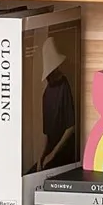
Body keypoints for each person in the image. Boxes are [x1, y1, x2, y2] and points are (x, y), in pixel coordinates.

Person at [29, 36, 76, 173]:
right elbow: (47, 134)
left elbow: (71, 127)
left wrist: (53, 154)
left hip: (64, 151)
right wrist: (41, 157)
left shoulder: (64, 85)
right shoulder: (46, 94)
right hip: (51, 151)